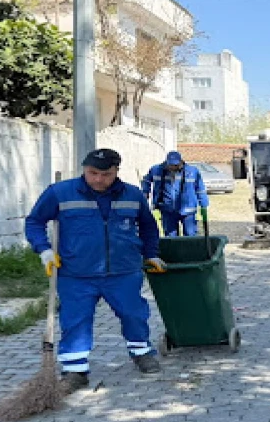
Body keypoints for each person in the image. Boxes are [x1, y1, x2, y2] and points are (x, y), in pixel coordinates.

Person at [25, 148, 166, 389]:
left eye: (106, 174)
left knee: (134, 314)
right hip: (75, 273)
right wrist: (44, 250)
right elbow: (34, 222)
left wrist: (151, 254)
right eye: (93, 173)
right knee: (75, 320)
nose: (99, 179)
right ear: (84, 169)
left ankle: (141, 352)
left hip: (124, 271)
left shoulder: (133, 195)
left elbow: (149, 227)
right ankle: (75, 370)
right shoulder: (60, 192)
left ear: (116, 172)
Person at [142, 151, 208, 237]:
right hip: (167, 209)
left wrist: (203, 204)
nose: (173, 167)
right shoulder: (156, 170)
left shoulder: (192, 172)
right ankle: (174, 250)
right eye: (171, 165)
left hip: (188, 210)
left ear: (181, 162)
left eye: (176, 165)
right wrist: (145, 192)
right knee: (170, 237)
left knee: (190, 235)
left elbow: (200, 189)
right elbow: (146, 181)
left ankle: (190, 250)